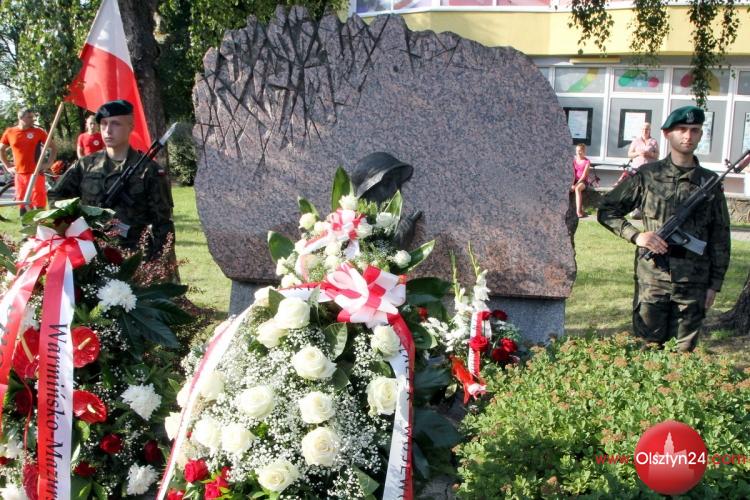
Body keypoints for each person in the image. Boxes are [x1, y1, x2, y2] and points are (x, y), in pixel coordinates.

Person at [597, 105, 731, 352]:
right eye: (682, 129)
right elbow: (607, 210)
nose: (688, 136)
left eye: (695, 130)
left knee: (683, 354)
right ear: (667, 134)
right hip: (653, 278)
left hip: (694, 281)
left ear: (701, 135)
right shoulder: (648, 175)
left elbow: (720, 236)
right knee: (647, 349)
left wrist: (715, 284)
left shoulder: (709, 182)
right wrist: (636, 236)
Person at [49, 100, 175, 259]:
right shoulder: (85, 165)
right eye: (104, 124)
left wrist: (158, 262)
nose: (108, 130)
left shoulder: (149, 170)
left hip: (135, 256)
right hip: (90, 254)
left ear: (130, 126)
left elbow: (163, 223)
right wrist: (71, 227)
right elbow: (56, 196)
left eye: (116, 124)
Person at [0, 108, 57, 215]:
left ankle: (39, 223)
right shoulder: (10, 132)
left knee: (38, 201)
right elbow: (1, 150)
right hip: (19, 174)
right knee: (22, 202)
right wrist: (8, 166)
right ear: (20, 118)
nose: (33, 119)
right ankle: (26, 224)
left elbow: (53, 148)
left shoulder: (39, 132)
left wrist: (49, 163)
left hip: (36, 173)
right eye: (29, 117)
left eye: (33, 117)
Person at [571, 143, 591, 218]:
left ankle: (578, 212)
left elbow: (584, 175)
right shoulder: (574, 161)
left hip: (583, 181)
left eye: (580, 150)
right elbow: (573, 174)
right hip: (575, 180)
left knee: (577, 188)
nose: (578, 152)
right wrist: (572, 184)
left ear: (583, 151)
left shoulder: (587, 161)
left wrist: (575, 185)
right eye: (577, 150)